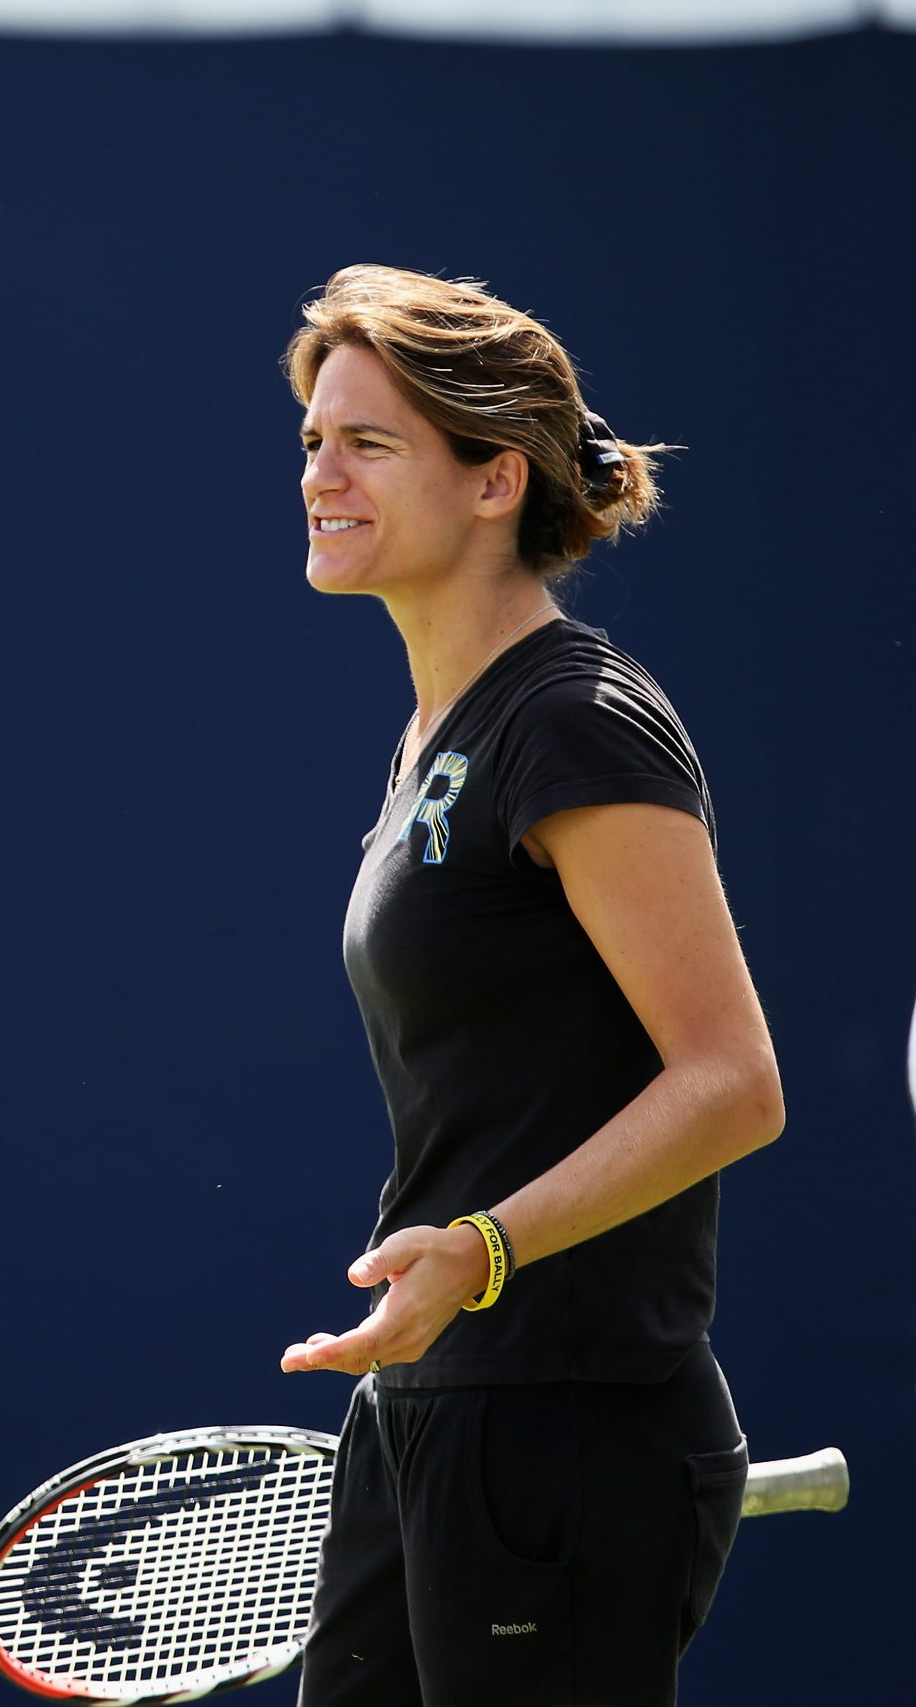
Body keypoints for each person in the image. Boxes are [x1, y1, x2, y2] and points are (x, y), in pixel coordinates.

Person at [276, 265, 783, 1705]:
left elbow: (733, 1083)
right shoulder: (441, 728)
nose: (323, 474)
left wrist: (483, 1250)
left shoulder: (574, 720)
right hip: (429, 1409)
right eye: (314, 440)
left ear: (495, 480)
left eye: (370, 444)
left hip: (569, 1428)